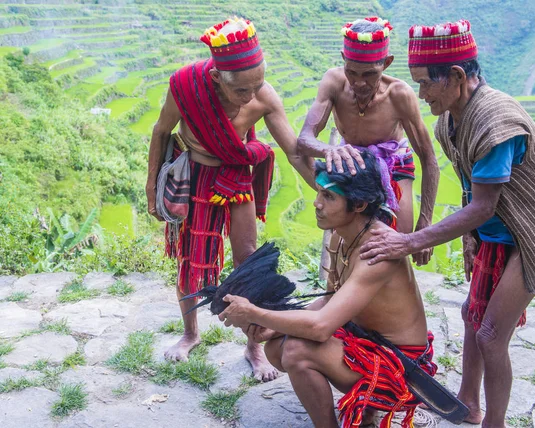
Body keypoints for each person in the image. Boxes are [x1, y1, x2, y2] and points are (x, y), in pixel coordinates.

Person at [359, 20, 535, 427]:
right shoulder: (450, 120)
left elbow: (483, 206)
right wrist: (471, 239)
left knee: (490, 336)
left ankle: (493, 422)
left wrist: (407, 242)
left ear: (456, 77)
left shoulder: (495, 124)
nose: (421, 94)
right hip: (503, 230)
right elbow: (472, 187)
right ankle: (468, 400)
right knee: (472, 315)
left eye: (426, 84)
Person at [145, 17, 313, 381]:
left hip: (237, 180)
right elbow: (161, 131)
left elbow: (295, 152)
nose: (252, 96)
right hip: (197, 179)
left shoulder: (264, 97)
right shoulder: (186, 86)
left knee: (248, 263)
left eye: (258, 85)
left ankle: (253, 349)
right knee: (191, 264)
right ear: (217, 77)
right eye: (242, 90)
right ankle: (190, 334)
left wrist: (325, 190)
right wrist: (150, 192)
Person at [218, 152, 437, 428]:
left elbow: (321, 327)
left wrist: (254, 312)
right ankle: (363, 409)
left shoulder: (376, 252)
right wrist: (274, 328)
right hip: (368, 342)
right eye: (319, 192)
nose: (316, 204)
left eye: (329, 197)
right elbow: (332, 298)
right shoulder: (341, 236)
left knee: (297, 350)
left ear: (359, 204)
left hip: (400, 367)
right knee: (276, 346)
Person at [297, 16, 439, 265]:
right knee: (343, 243)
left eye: (369, 74)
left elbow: (429, 159)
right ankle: (340, 293)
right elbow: (305, 139)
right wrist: (331, 151)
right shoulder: (333, 82)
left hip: (393, 164)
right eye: (351, 72)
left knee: (398, 241)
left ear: (386, 63)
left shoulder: (399, 95)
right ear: (343, 59)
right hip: (351, 164)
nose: (359, 82)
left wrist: (424, 225)